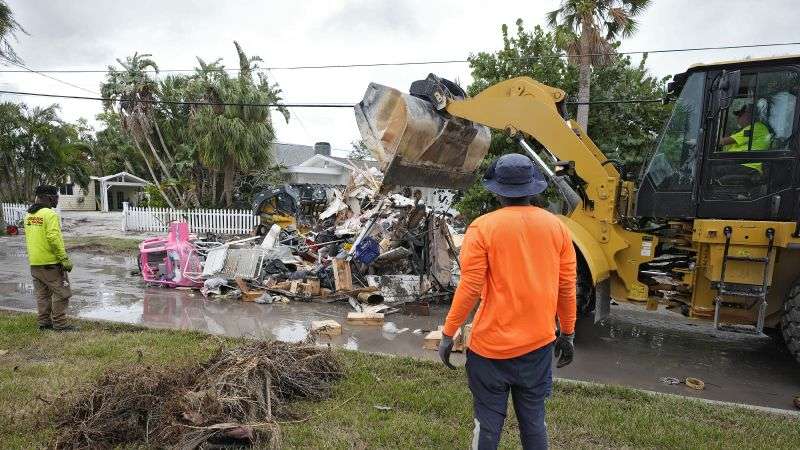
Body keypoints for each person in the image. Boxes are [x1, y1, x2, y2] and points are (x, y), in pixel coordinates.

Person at [439, 153, 577, 450]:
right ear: (532, 188)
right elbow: (566, 287)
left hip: (489, 350)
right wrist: (568, 332)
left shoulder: (482, 227)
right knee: (534, 423)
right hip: (538, 346)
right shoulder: (558, 229)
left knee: (487, 424)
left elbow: (470, 287)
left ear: (496, 190)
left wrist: (448, 333)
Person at [24, 185, 76, 331]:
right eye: (56, 197)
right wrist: (63, 258)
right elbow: (53, 238)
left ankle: (44, 323)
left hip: (35, 263)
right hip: (50, 263)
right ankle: (60, 324)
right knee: (62, 293)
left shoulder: (29, 215)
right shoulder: (49, 214)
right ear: (48, 197)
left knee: (42, 295)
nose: (57, 200)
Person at [719, 103, 772, 172]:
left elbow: (723, 142)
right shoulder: (742, 130)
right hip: (738, 163)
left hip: (747, 166)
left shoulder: (756, 127)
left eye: (740, 115)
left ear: (749, 115)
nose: (737, 118)